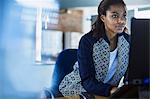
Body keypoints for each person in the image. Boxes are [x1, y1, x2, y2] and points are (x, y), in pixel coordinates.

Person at [59, 0, 130, 97]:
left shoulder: (128, 41)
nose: (121, 20)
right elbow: (87, 80)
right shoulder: (88, 41)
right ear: (103, 18)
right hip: (78, 89)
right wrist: (111, 90)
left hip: (108, 93)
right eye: (114, 16)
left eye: (124, 16)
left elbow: (131, 76)